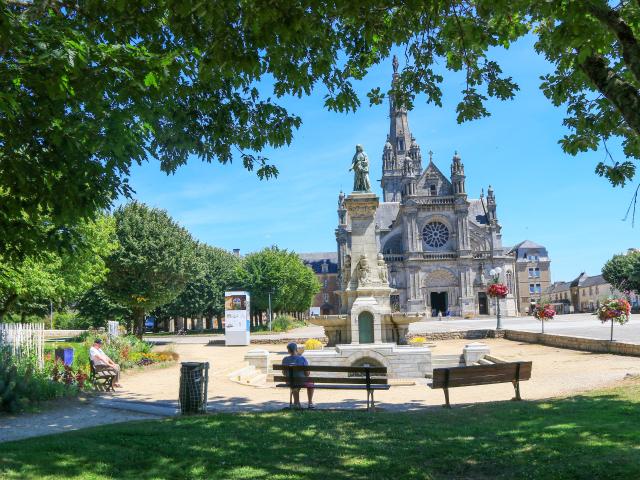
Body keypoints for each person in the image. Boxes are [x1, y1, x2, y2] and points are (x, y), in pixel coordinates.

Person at [282, 342, 315, 409]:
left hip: (289, 382)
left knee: (294, 385)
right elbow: (307, 373)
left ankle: (296, 403)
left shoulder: (285, 359)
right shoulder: (302, 359)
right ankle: (310, 403)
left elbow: (284, 373)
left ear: (288, 350)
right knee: (310, 382)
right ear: (296, 349)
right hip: (301, 381)